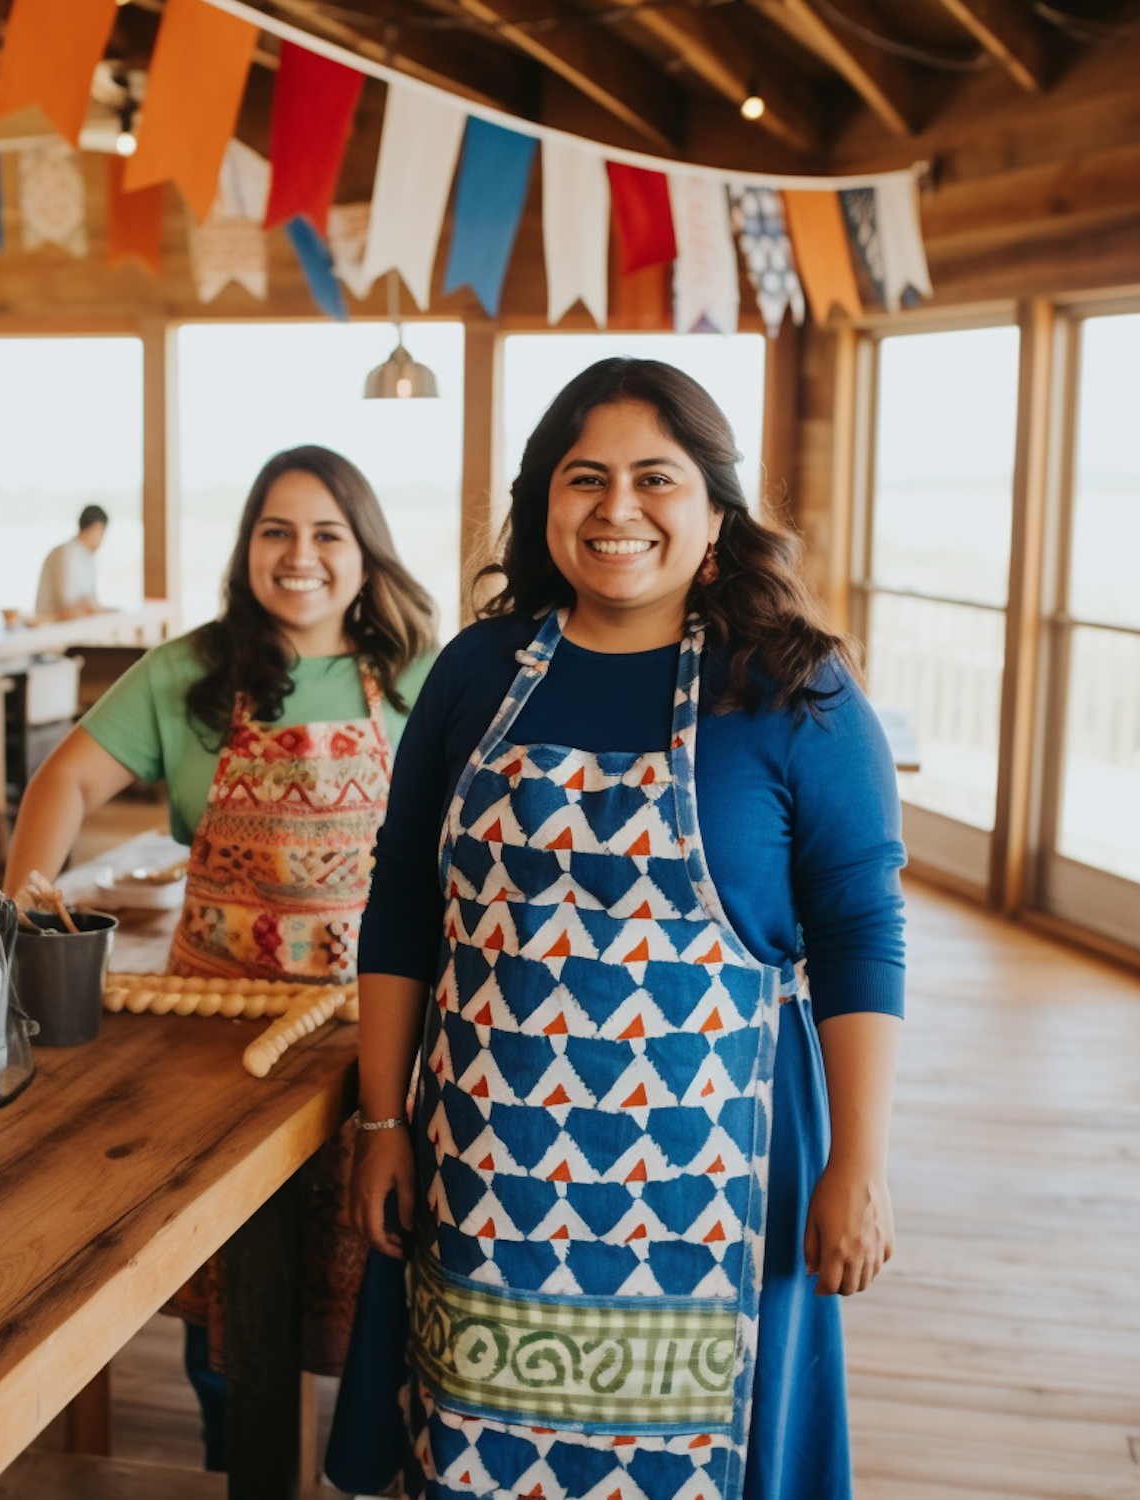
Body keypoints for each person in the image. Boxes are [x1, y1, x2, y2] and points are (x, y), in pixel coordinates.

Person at [344, 360, 905, 1500]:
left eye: (656, 478)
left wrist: (861, 1160)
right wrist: (379, 1118)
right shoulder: (475, 671)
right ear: (542, 502)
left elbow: (860, 930)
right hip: (483, 1176)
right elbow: (403, 898)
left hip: (715, 1176)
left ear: (714, 512)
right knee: (477, 1451)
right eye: (582, 478)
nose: (615, 509)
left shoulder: (799, 692)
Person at [4, 445, 440, 1469]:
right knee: (228, 1291)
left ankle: (364, 1467)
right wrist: (22, 926)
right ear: (246, 546)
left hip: (375, 1035)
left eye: (329, 533)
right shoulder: (192, 672)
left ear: (366, 551)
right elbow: (59, 787)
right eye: (275, 531)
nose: (301, 556)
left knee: (382, 1258)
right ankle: (239, 1464)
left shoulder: (421, 673)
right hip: (216, 1045)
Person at [35, 504, 109, 621]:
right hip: (52, 624)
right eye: (102, 534)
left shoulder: (87, 557)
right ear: (96, 528)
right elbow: (66, 603)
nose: (102, 540)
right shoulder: (65, 552)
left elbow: (91, 600)